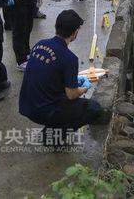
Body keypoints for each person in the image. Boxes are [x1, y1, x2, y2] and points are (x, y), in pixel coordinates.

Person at [19, 10, 102, 144]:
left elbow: (49, 74)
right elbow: (72, 95)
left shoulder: (39, 44)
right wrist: (84, 88)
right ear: (75, 32)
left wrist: (72, 81)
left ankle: (51, 130)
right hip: (43, 110)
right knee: (93, 108)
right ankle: (52, 138)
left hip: (26, 105)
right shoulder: (69, 58)